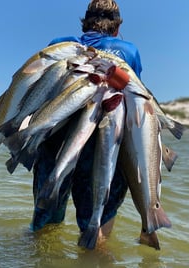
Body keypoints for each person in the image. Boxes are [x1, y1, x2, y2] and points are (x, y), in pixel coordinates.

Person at [31, 0, 143, 240]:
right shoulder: (128, 50)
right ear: (117, 26)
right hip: (100, 145)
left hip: (55, 143)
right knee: (95, 227)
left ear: (85, 22)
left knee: (44, 226)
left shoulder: (59, 45)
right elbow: (135, 100)